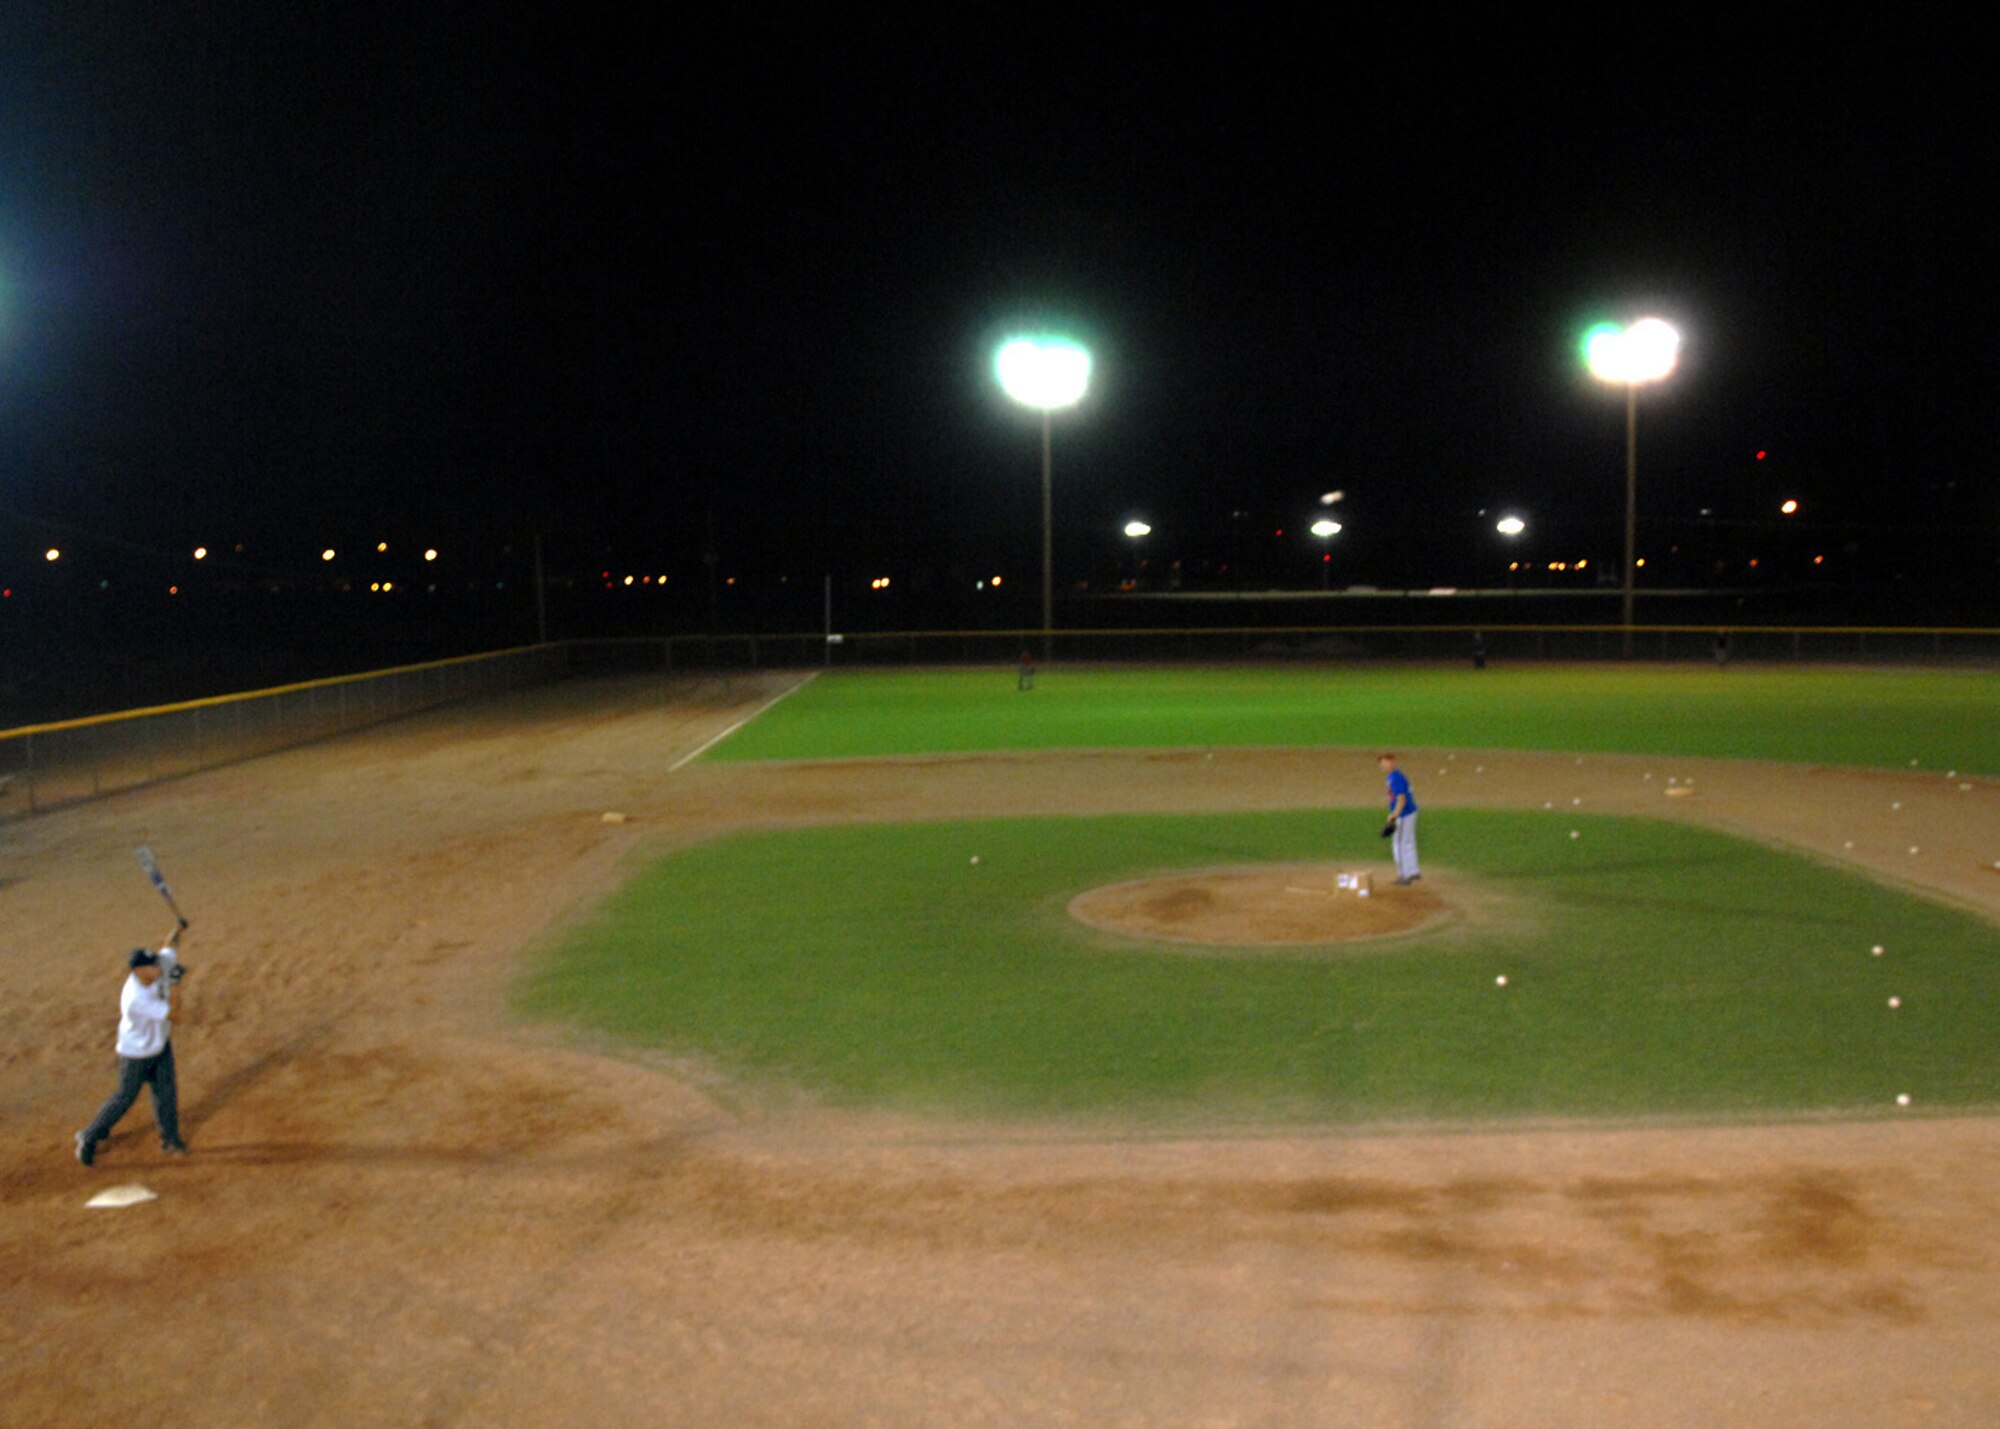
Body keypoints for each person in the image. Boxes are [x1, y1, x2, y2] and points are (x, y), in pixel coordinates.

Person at [75, 923, 189, 1165]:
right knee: (124, 1098)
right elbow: (176, 1016)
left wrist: (177, 930)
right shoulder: (136, 998)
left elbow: (169, 948)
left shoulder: (158, 967)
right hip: (136, 1053)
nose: (159, 966)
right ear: (138, 970)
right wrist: (176, 985)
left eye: (157, 962)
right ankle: (89, 1134)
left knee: (166, 1094)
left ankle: (170, 1140)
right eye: (153, 965)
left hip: (160, 1047)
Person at [1378, 752, 1420, 885]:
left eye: (1385, 762)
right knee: (1408, 842)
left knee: (1399, 845)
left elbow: (1401, 798)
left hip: (1403, 815)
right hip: (1409, 812)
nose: (1383, 765)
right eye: (1382, 763)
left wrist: (1394, 815)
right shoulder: (1395, 776)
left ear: (1392, 762)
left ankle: (1404, 875)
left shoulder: (1395, 778)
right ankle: (1413, 871)